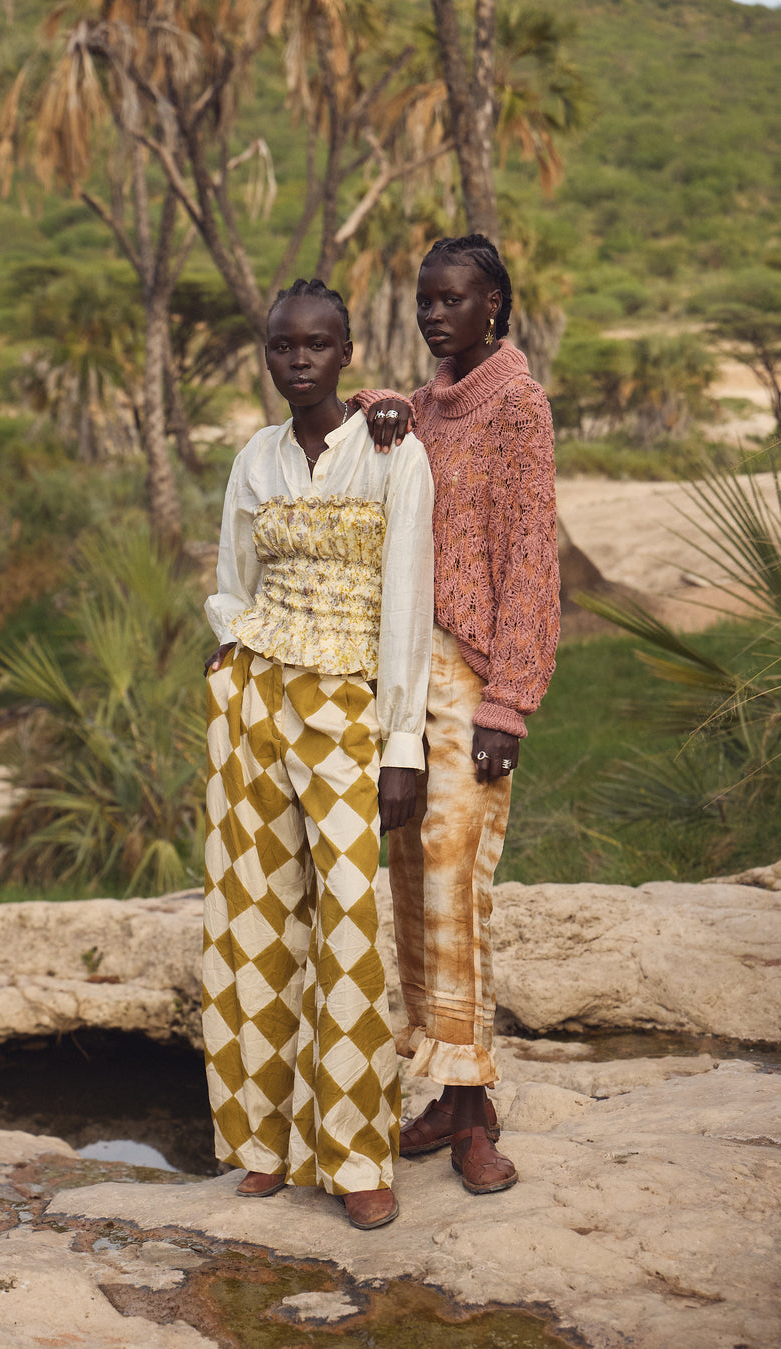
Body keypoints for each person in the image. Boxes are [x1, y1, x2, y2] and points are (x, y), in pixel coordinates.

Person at [202, 278, 434, 1230]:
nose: (297, 359)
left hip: (348, 710)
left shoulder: (391, 450)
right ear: (267, 355)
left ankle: (353, 1154)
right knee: (250, 919)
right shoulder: (254, 458)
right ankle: (260, 1142)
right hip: (254, 698)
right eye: (281, 346)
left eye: (316, 344)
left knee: (348, 921)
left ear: (346, 352)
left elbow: (407, 602)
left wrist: (404, 744)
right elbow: (231, 578)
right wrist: (231, 641)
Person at [353, 233, 560, 1195]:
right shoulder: (430, 406)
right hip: (404, 677)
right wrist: (373, 406)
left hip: (473, 681)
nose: (436, 312)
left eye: (455, 299)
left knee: (458, 888)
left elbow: (531, 561)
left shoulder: (517, 405)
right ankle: (445, 1089)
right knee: (410, 881)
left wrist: (508, 703)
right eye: (426, 297)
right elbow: (379, 424)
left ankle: (476, 1114)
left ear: (496, 307)